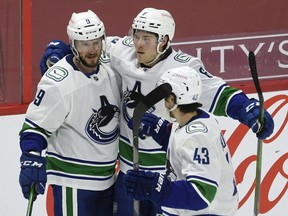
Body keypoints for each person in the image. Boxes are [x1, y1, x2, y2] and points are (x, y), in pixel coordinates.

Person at [39, 7, 274, 216]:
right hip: (129, 173)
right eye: (137, 36)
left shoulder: (183, 69)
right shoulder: (123, 50)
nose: (139, 44)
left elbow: (219, 93)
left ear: (164, 41)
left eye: (147, 39)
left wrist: (249, 110)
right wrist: (58, 51)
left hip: (167, 177)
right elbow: (90, 43)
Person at [19, 10, 121, 216]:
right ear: (73, 44)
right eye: (84, 44)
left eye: (96, 43)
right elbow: (35, 128)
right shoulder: (58, 82)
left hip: (109, 180)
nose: (92, 50)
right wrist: (30, 156)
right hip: (73, 182)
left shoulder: (111, 68)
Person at [124, 66, 239, 215]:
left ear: (172, 100)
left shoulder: (197, 136)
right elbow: (184, 150)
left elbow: (202, 194)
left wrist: (155, 186)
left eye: (164, 96)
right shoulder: (199, 118)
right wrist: (162, 131)